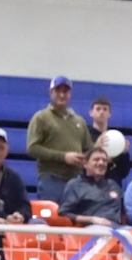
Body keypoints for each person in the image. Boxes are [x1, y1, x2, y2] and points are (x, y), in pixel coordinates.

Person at [26, 76, 93, 204]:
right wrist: (64, 157)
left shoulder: (79, 121)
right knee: (52, 214)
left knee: (74, 215)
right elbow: (32, 148)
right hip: (51, 177)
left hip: (76, 179)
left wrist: (90, 155)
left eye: (65, 91)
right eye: (58, 91)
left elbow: (88, 149)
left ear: (70, 94)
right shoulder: (41, 118)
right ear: (51, 92)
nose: (62, 95)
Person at [59, 148, 125, 227]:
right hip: (91, 229)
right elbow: (64, 213)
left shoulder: (113, 185)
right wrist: (92, 219)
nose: (101, 163)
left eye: (104, 160)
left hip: (117, 228)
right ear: (85, 164)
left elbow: (123, 214)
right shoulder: (75, 185)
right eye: (96, 159)